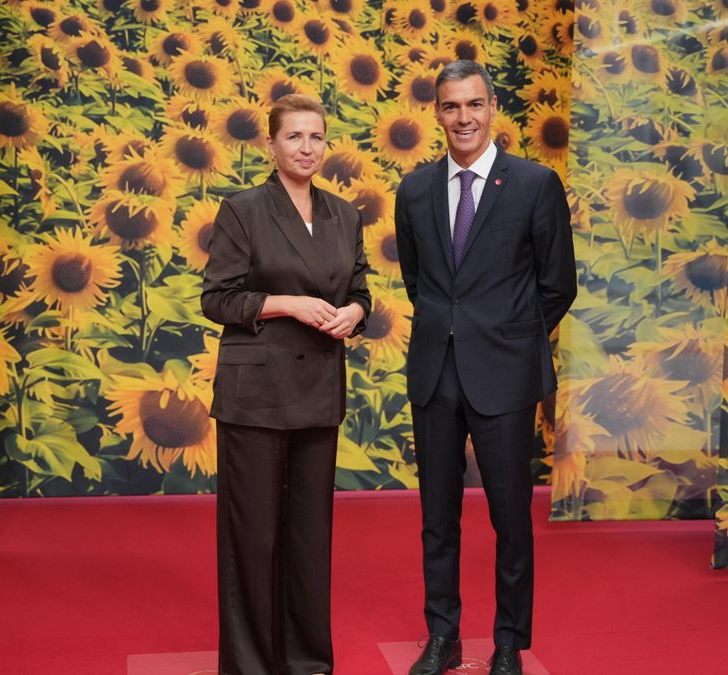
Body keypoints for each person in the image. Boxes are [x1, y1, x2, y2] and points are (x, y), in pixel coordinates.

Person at [393, 61, 578, 675]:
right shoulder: (415, 190)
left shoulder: (533, 184)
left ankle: (507, 644)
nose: (463, 118)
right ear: (436, 114)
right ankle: (441, 636)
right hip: (435, 374)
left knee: (509, 519)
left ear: (493, 107)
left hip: (506, 375)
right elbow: (421, 282)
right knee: (436, 519)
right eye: (450, 107)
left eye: (474, 105)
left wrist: (507, 336)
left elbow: (558, 285)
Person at [201, 94, 372, 675]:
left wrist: (355, 313)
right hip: (256, 396)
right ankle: (250, 666)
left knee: (308, 543)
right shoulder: (243, 210)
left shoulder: (345, 215)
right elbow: (217, 299)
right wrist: (287, 305)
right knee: (252, 540)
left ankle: (306, 664)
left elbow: (362, 291)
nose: (307, 148)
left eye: (316, 137)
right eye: (294, 137)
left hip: (319, 394)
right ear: (270, 145)